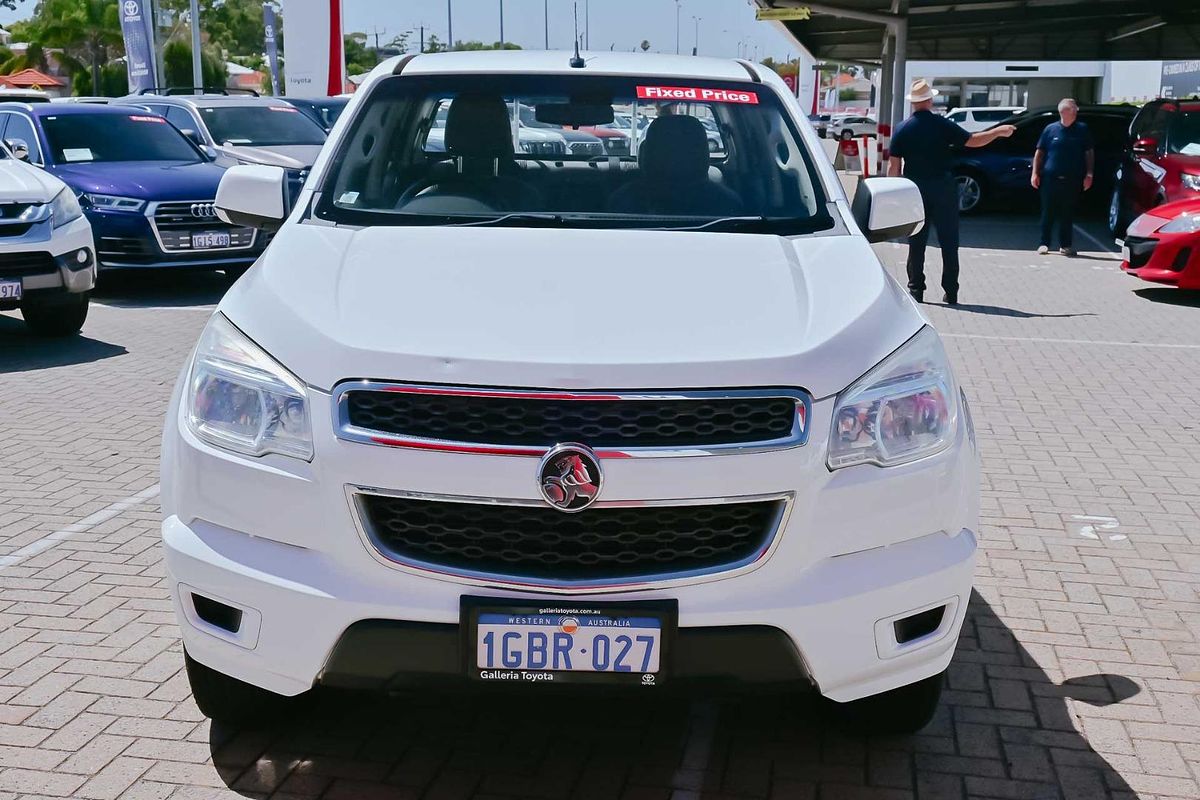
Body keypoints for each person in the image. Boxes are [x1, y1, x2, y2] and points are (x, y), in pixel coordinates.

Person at [887, 79, 1016, 305]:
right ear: (929, 100)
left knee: (916, 240)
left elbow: (894, 167)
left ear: (914, 103)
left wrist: (894, 196)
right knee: (949, 240)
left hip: (915, 189)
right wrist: (997, 131)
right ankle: (951, 291)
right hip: (944, 187)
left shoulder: (902, 128)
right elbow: (973, 141)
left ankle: (916, 289)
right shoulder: (941, 124)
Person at [1032, 98, 1093, 257]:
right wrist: (1035, 173)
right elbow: (1040, 152)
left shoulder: (1082, 129)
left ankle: (1065, 245)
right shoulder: (1050, 129)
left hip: (1072, 179)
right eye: (1073, 109)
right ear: (1066, 112)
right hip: (1050, 179)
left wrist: (1089, 174)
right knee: (1048, 213)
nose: (1076, 111)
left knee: (1067, 213)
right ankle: (1044, 243)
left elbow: (1089, 153)